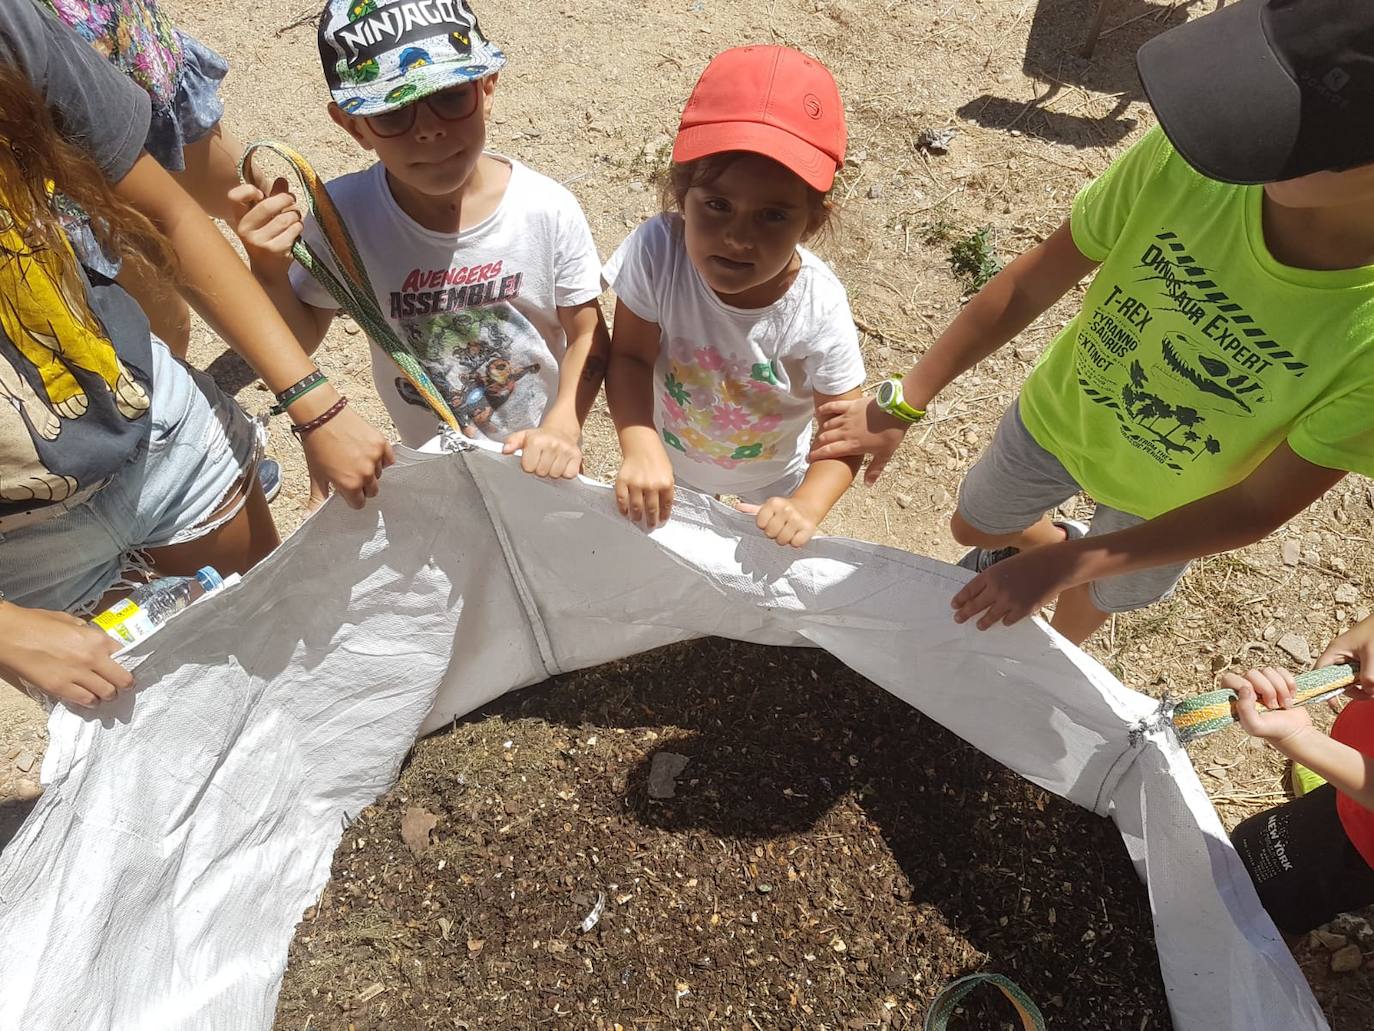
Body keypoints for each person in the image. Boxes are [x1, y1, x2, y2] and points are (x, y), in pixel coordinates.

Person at [808, 0, 1374, 640]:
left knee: (1089, 603)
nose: (1232, 123)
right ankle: (1052, 548)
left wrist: (1069, 568)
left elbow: (1256, 505)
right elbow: (1032, 280)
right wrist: (906, 400)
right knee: (974, 525)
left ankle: (1048, 628)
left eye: (1275, 120)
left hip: (1173, 505)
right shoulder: (1189, 161)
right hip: (1065, 412)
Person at [0, 2, 393, 709]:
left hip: (164, 441)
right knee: (162, 734)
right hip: (23, 556)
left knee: (287, 665)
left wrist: (316, 403)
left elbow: (171, 210)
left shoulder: (14, 23)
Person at [232, 0, 609, 479]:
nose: (429, 130)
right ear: (352, 125)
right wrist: (266, 269)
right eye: (393, 112)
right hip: (437, 461)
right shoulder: (344, 218)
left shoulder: (546, 209)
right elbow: (301, 338)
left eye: (450, 96)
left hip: (542, 454)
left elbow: (587, 332)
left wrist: (564, 426)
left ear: (487, 88)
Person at [604, 45, 865, 548]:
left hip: (771, 482)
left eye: (772, 215)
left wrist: (805, 505)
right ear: (682, 195)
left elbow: (844, 432)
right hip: (667, 460)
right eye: (717, 204)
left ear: (813, 220)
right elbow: (631, 357)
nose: (738, 239)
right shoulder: (659, 252)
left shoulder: (818, 307)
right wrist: (640, 444)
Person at [34, 0, 252, 357]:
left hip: (116, 40)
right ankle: (190, 392)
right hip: (55, 143)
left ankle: (306, 287)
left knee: (239, 194)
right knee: (163, 323)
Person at [1227, 616, 1374, 936]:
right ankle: (1337, 774)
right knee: (1253, 845)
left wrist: (1301, 739)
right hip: (1353, 780)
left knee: (1272, 896)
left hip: (1365, 842)